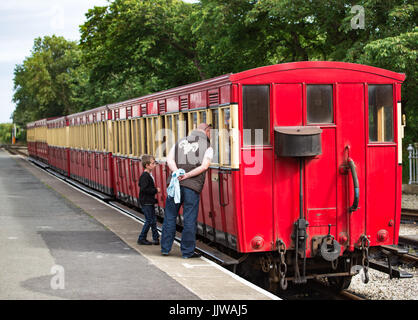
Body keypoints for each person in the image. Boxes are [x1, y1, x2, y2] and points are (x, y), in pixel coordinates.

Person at [161, 123, 213, 258]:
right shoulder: (208, 147)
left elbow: (169, 160)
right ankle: (187, 252)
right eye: (210, 132)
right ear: (206, 131)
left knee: (170, 217)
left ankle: (165, 249)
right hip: (192, 187)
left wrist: (177, 172)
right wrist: (187, 175)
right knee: (189, 219)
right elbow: (204, 166)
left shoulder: (180, 141)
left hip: (175, 186)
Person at [137, 155, 161, 245]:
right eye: (153, 163)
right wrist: (155, 190)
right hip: (146, 202)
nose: (155, 165)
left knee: (153, 220)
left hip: (149, 201)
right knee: (149, 220)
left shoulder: (148, 175)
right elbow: (144, 189)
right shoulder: (145, 176)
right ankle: (141, 238)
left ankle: (156, 238)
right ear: (147, 165)